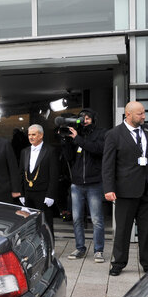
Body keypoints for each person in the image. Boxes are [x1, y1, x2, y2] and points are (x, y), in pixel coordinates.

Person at [103, 101, 148, 276]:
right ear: (128, 114)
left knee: (145, 228)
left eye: (143, 113)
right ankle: (118, 263)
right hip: (125, 191)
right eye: (140, 114)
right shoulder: (114, 134)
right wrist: (108, 188)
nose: (144, 116)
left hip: (147, 190)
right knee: (123, 230)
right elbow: (108, 164)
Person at [61, 108, 106, 263]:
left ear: (93, 119)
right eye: (82, 118)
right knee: (76, 218)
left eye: (88, 118)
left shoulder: (101, 133)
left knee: (96, 219)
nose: (84, 121)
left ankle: (98, 250)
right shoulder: (76, 136)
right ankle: (80, 248)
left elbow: (97, 149)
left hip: (94, 183)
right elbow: (69, 158)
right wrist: (66, 141)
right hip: (77, 184)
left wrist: (78, 139)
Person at [19, 124, 59, 239]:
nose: (31, 137)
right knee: (29, 224)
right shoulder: (24, 151)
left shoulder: (50, 151)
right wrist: (21, 193)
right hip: (28, 193)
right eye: (29, 135)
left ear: (41, 135)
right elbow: (21, 173)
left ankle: (49, 249)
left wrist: (51, 195)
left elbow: (54, 174)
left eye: (34, 134)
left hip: (43, 194)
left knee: (46, 224)